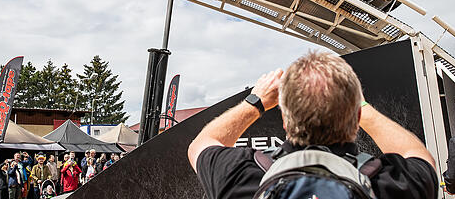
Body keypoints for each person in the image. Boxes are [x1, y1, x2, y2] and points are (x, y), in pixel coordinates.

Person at [187, 50, 438, 199]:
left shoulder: (241, 174)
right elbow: (418, 155)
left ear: (285, 120)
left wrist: (257, 101)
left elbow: (201, 144)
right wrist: (361, 106)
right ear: (356, 120)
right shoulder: (392, 183)